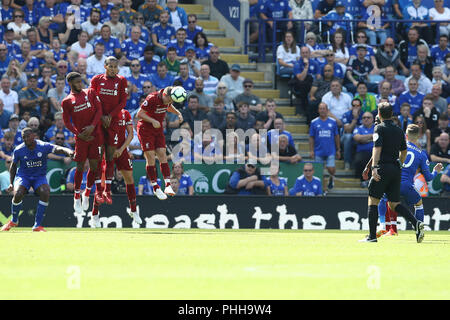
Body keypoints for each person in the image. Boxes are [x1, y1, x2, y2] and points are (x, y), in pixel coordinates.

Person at [360, 102, 425, 243]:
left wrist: (374, 167)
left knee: (373, 201)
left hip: (382, 168)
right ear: (391, 114)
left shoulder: (379, 128)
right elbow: (404, 152)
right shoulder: (399, 130)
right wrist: (399, 165)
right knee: (394, 203)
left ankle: (371, 237)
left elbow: (377, 148)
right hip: (395, 169)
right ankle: (416, 224)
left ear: (379, 113)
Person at [1, 127, 74, 232]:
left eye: (27, 137)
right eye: (23, 137)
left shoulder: (42, 146)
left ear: (33, 136)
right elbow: (13, 166)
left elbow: (58, 148)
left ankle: (37, 225)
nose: (25, 139)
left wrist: (69, 151)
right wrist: (11, 183)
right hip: (23, 176)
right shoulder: (19, 150)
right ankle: (14, 220)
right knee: (18, 194)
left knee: (45, 191)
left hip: (39, 177)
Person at [90, 109, 141, 226]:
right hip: (107, 150)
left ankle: (133, 210)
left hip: (121, 150)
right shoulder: (105, 113)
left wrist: (121, 149)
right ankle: (95, 214)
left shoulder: (125, 113)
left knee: (129, 178)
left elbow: (131, 134)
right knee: (102, 182)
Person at [61, 72, 103, 214]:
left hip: (95, 135)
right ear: (71, 84)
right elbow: (66, 121)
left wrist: (92, 126)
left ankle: (87, 193)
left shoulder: (90, 92)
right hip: (81, 138)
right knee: (79, 166)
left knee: (94, 166)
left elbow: (99, 110)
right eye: (77, 82)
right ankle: (77, 194)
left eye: (81, 81)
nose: (80, 84)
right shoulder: (67, 101)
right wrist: (78, 133)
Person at [90, 56, 128, 205]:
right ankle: (99, 190)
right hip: (99, 121)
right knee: (99, 156)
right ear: (105, 66)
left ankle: (108, 190)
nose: (113, 69)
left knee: (110, 156)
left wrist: (110, 116)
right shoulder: (96, 80)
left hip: (114, 122)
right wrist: (101, 116)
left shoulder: (121, 80)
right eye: (110, 66)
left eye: (115, 66)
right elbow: (92, 99)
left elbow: (123, 101)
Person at [137, 86, 183, 200]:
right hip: (145, 129)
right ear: (165, 95)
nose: (170, 102)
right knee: (151, 157)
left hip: (157, 129)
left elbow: (168, 106)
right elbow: (139, 114)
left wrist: (178, 113)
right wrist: (153, 121)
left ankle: (167, 185)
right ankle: (155, 187)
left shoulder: (168, 99)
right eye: (170, 99)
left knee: (162, 154)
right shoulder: (152, 98)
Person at [309, 102, 340, 190]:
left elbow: (336, 136)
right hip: (318, 151)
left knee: (331, 168)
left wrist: (338, 149)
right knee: (318, 172)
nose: (322, 110)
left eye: (324, 108)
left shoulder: (333, 122)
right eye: (320, 108)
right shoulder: (314, 122)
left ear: (327, 110)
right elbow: (311, 137)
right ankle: (322, 188)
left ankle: (331, 178)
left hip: (330, 150)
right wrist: (311, 151)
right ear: (318, 110)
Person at [353, 112, 375, 188]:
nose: (366, 119)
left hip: (375, 152)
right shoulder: (358, 128)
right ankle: (363, 180)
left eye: (368, 117)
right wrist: (372, 137)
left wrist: (364, 139)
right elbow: (357, 138)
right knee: (359, 160)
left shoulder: (377, 128)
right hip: (362, 152)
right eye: (364, 117)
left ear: (372, 119)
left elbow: (381, 138)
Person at [341, 98, 363, 170]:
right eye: (354, 105)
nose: (355, 107)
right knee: (348, 137)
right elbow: (348, 130)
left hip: (360, 137)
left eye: (357, 105)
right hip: (346, 137)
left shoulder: (365, 115)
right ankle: (347, 162)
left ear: (361, 106)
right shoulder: (346, 115)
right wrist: (355, 119)